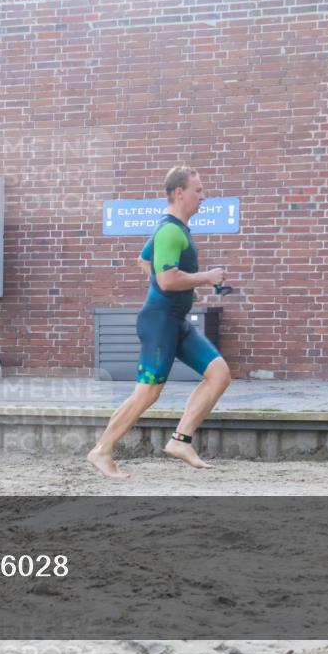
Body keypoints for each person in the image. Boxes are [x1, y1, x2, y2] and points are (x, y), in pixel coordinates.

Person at [88, 166, 231, 479]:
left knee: (218, 373)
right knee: (148, 393)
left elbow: (144, 259)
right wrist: (206, 278)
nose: (203, 196)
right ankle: (102, 450)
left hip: (175, 320)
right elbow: (166, 280)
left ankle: (180, 441)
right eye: (198, 190)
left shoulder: (173, 229)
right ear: (180, 192)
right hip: (160, 321)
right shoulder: (169, 231)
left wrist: (168, 285)